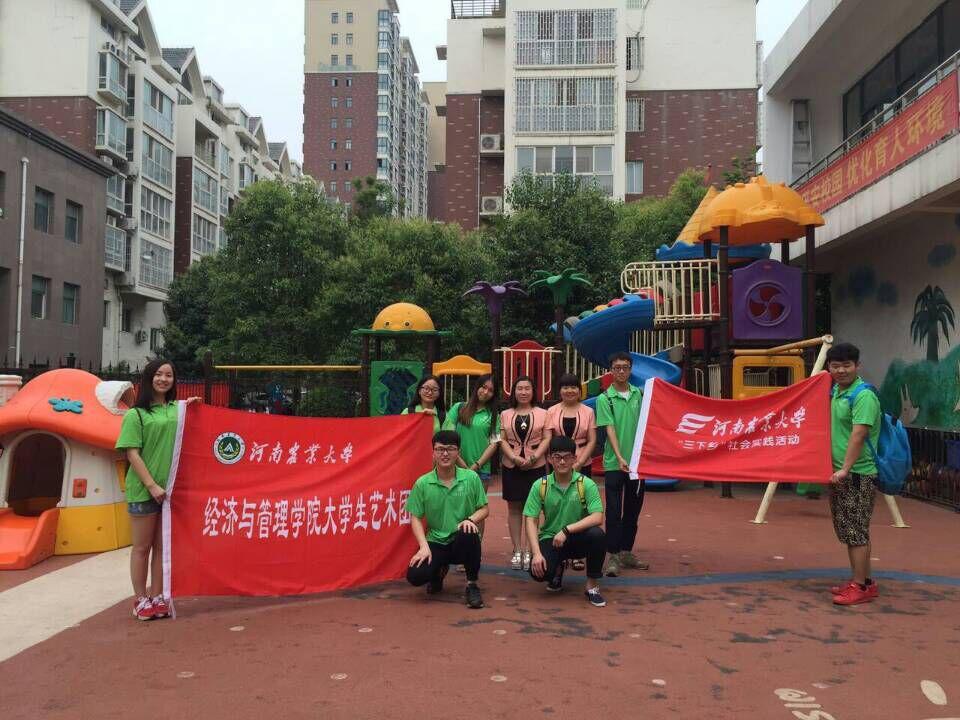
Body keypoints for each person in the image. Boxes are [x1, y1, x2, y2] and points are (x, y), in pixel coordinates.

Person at [116, 359, 201, 621]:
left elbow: (192, 422)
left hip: (170, 492)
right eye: (158, 374)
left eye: (169, 375)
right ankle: (140, 599)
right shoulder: (136, 414)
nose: (163, 379)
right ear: (149, 378)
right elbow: (132, 453)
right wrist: (152, 485)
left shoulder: (178, 409)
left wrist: (194, 405)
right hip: (144, 490)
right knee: (142, 547)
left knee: (162, 548)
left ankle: (157, 596)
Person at [405, 431, 488, 609]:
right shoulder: (422, 483)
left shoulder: (471, 478)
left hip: (461, 539)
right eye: (440, 449)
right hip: (436, 541)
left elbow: (484, 509)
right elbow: (416, 517)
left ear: (458, 452)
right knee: (415, 576)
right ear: (433, 452)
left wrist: (470, 520)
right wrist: (423, 546)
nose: (445, 454)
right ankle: (438, 572)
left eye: (450, 449)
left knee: (469, 532)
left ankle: (472, 584)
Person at [826, 342, 882, 606]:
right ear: (829, 368)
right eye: (835, 366)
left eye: (846, 365)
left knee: (855, 533)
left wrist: (845, 469)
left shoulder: (863, 396)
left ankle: (859, 586)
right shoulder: (837, 392)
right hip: (843, 474)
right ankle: (865, 582)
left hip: (857, 474)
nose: (841, 370)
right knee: (855, 531)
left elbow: (859, 434)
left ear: (857, 366)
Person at [524, 437, 607, 607]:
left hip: (578, 537)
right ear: (549, 459)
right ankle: (557, 568)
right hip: (551, 538)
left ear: (574, 458)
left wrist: (566, 530)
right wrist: (536, 553)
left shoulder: (586, 484)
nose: (562, 461)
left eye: (567, 457)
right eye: (557, 457)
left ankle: (592, 586)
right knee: (538, 573)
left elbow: (598, 517)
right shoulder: (540, 485)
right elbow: (531, 520)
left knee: (598, 535)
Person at [595, 351, 648, 577]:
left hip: (638, 464)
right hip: (614, 464)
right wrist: (619, 457)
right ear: (610, 370)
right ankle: (613, 555)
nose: (621, 371)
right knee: (614, 511)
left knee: (633, 510)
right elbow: (609, 429)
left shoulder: (640, 394)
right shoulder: (604, 398)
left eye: (625, 367)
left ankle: (626, 552)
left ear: (630, 369)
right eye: (617, 367)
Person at [499, 375, 552, 571]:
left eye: (527, 388)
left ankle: (531, 550)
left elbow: (547, 438)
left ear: (533, 391)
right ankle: (517, 550)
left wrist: (535, 457)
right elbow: (500, 439)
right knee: (514, 508)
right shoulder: (504, 414)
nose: (523, 392)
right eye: (519, 388)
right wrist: (514, 458)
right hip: (511, 465)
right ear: (513, 392)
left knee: (534, 509)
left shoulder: (543, 413)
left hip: (536, 465)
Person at [546, 373, 597, 571]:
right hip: (558, 464)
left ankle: (578, 553)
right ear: (560, 390)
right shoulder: (551, 411)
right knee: (558, 504)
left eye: (574, 387)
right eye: (565, 387)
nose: (570, 391)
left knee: (582, 506)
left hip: (582, 460)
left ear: (579, 390)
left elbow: (592, 439)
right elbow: (548, 439)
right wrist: (556, 461)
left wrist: (580, 462)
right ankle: (558, 546)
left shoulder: (588, 411)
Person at [443, 373, 500, 487]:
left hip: (482, 470)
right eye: (483, 387)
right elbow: (447, 436)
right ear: (477, 386)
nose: (485, 392)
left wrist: (477, 465)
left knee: (478, 499)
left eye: (490, 390)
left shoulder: (494, 416)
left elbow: (494, 443)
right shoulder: (459, 408)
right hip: (455, 466)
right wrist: (460, 462)